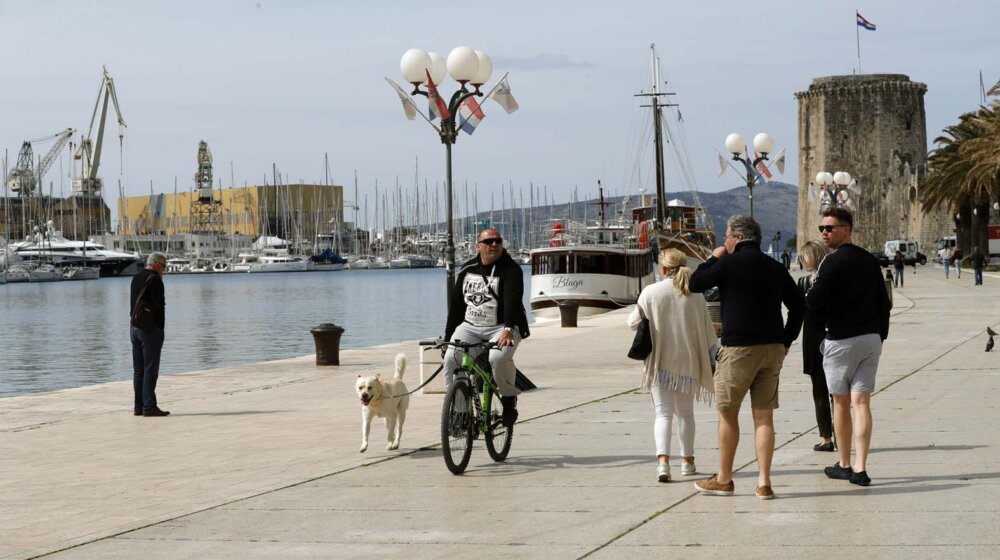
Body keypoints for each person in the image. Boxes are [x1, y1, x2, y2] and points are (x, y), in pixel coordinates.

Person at [688, 215, 804, 500]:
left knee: (727, 414)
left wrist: (714, 258)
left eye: (726, 236)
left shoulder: (727, 263)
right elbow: (799, 306)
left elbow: (695, 283)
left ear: (737, 238)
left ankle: (725, 479)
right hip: (772, 348)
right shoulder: (775, 267)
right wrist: (786, 340)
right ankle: (764, 482)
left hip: (739, 349)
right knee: (764, 416)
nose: (724, 240)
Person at [806, 207, 891, 487]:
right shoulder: (870, 261)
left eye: (829, 228)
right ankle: (861, 467)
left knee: (841, 403)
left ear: (847, 229)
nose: (824, 233)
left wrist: (811, 292)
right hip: (870, 339)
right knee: (862, 402)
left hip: (840, 341)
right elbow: (883, 301)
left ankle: (845, 464)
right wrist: (881, 334)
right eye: (821, 229)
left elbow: (815, 302)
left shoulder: (830, 263)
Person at [627, 248, 719, 483]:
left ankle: (663, 464)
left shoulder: (651, 292)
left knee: (663, 413)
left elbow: (632, 323)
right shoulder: (695, 294)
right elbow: (709, 334)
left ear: (663, 268)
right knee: (686, 414)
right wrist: (711, 361)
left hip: (660, 363)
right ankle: (688, 462)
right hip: (687, 364)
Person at [443, 228, 530, 426]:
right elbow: (456, 308)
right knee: (451, 359)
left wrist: (508, 329)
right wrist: (447, 339)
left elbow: (512, 303)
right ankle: (459, 413)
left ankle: (508, 399)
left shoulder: (511, 270)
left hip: (503, 326)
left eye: (498, 241)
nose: (494, 245)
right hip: (471, 326)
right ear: (478, 246)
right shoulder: (467, 269)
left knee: (497, 358)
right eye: (489, 241)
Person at [798, 241, 835, 452]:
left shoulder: (817, 282)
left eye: (805, 256)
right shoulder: (804, 282)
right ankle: (828, 436)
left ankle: (832, 436)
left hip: (823, 336)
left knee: (830, 391)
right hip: (817, 338)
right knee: (823, 390)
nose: (802, 261)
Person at [130, 252, 169, 417]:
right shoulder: (155, 280)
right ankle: (149, 406)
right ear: (157, 264)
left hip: (134, 327)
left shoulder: (136, 278)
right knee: (150, 369)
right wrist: (160, 328)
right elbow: (160, 307)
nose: (164, 270)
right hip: (150, 330)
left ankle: (138, 406)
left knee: (138, 370)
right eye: (164, 266)